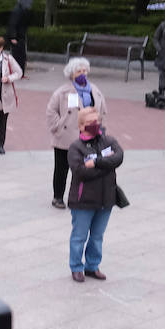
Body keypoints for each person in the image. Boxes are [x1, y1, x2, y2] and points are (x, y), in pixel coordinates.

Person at [65, 106, 124, 284]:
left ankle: (92, 266)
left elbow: (119, 157)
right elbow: (81, 172)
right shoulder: (75, 147)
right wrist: (107, 166)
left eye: (97, 121)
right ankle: (76, 267)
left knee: (97, 236)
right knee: (79, 236)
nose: (95, 124)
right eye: (91, 122)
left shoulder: (108, 140)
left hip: (106, 198)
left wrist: (97, 162)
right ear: (81, 126)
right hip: (83, 200)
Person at [45, 57, 106, 211]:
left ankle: (80, 196)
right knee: (61, 167)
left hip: (88, 135)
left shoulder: (94, 90)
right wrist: (57, 126)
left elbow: (102, 108)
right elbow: (51, 111)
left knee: (85, 168)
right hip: (66, 135)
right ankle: (58, 197)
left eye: (85, 70)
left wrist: (99, 125)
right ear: (71, 74)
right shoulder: (62, 92)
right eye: (79, 71)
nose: (82, 74)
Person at [6, 0, 32, 72]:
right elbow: (12, 24)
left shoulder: (22, 9)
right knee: (17, 55)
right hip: (17, 36)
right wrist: (13, 37)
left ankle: (20, 71)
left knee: (21, 55)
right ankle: (17, 71)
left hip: (20, 35)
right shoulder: (17, 11)